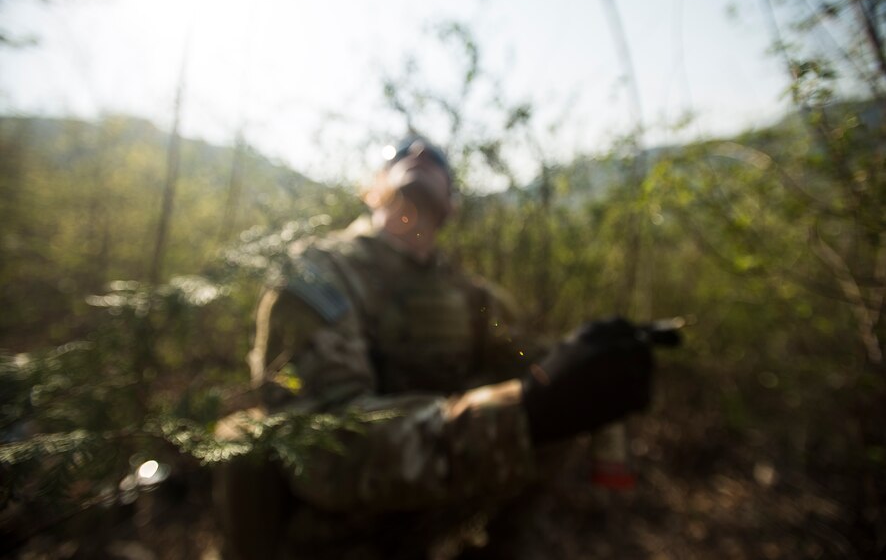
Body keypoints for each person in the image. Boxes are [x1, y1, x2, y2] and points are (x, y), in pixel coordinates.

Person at [214, 135, 654, 560]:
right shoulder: (319, 274)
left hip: (434, 526)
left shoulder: (474, 298)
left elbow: (521, 356)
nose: (420, 151)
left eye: (438, 160)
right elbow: (325, 451)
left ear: (453, 206)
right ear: (372, 189)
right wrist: (525, 414)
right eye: (400, 153)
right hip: (334, 540)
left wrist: (581, 361)